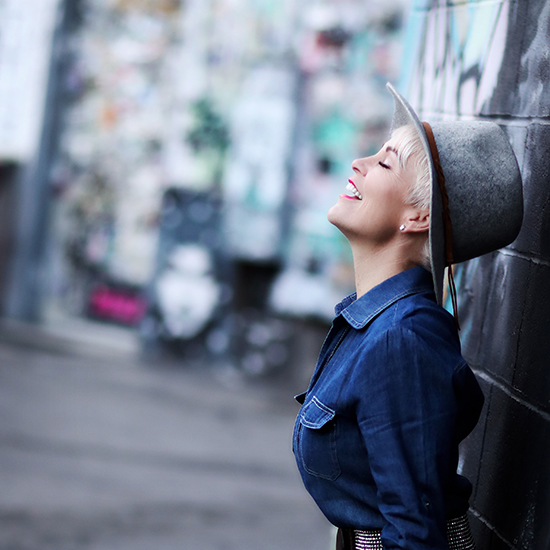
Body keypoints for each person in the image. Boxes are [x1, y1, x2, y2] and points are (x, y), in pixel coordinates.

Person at [292, 83, 523, 550]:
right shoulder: (375, 327)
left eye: (384, 162)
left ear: (418, 217)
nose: (359, 163)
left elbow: (414, 534)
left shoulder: (400, 342)